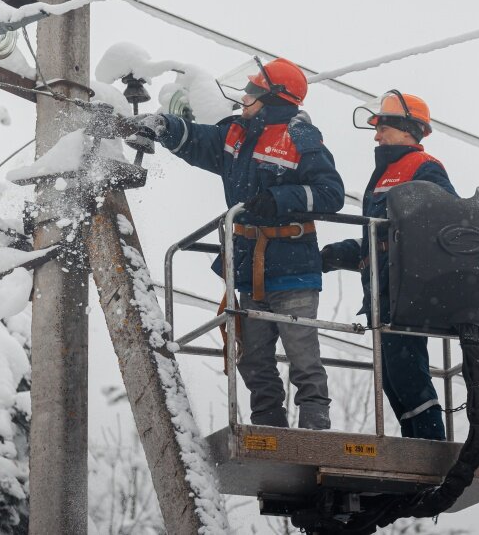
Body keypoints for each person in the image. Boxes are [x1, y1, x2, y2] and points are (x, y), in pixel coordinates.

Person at [129, 57, 345, 430]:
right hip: (249, 267)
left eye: (253, 91)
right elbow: (198, 140)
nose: (244, 97)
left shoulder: (300, 137)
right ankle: (269, 425)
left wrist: (279, 200)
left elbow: (331, 193)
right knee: (253, 358)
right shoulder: (237, 135)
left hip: (292, 266)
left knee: (302, 355)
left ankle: (315, 425)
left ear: (275, 98)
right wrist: (164, 126)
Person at [320, 90, 455, 440]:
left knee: (407, 373)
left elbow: (447, 222)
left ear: (409, 130)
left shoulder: (424, 167)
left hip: (407, 293)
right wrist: (334, 254)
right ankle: (415, 445)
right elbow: (377, 240)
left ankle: (429, 446)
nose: (377, 136)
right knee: (393, 377)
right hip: (383, 295)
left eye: (383, 128)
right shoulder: (383, 175)